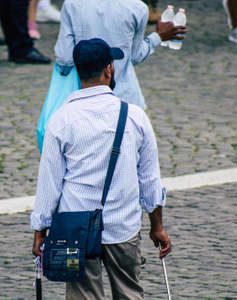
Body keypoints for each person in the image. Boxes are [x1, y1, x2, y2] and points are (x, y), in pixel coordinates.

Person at [31, 38, 171, 299]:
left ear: (77, 71)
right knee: (129, 293)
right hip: (123, 226)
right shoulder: (135, 116)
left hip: (76, 228)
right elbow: (150, 180)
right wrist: (157, 227)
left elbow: (49, 183)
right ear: (109, 69)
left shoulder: (60, 119)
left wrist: (41, 230)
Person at [54, 0, 186, 110]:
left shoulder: (72, 4)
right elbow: (134, 56)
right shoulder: (138, 8)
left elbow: (65, 59)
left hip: (83, 101)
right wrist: (157, 37)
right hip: (125, 100)